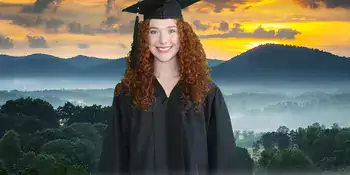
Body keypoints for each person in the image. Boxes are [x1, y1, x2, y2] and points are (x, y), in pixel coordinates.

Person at [98, 0, 237, 174]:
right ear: (143, 37)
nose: (163, 40)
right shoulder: (127, 95)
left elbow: (223, 160)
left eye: (172, 30)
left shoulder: (206, 93)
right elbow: (114, 160)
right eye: (153, 31)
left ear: (183, 35)